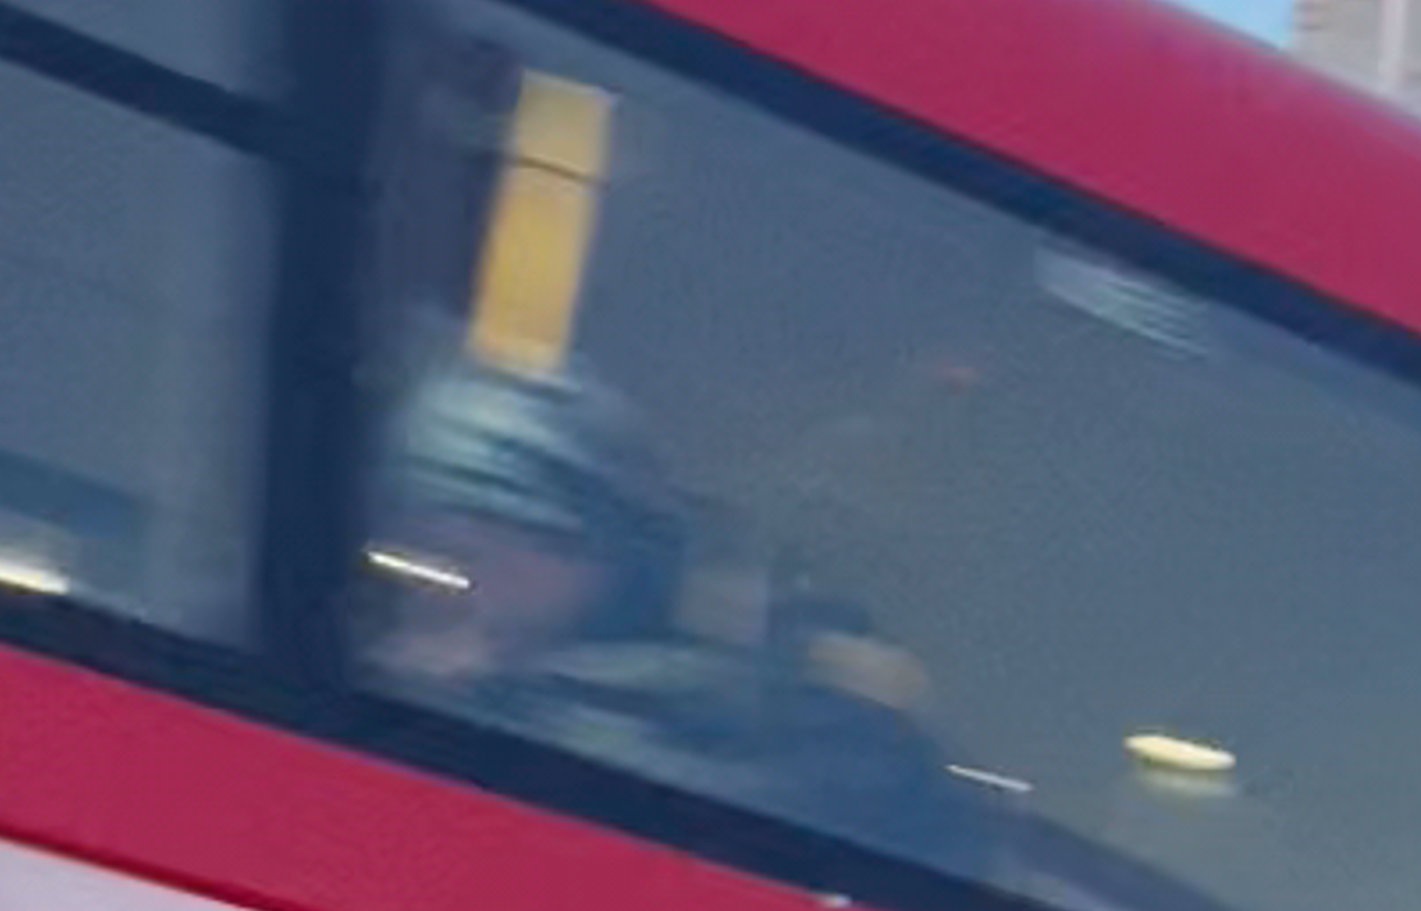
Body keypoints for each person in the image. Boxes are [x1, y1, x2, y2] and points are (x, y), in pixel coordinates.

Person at [364, 344, 973, 871]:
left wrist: (454, 704)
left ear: (584, 557)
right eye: (422, 547)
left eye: (471, 549)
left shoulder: (742, 724)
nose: (436, 580)